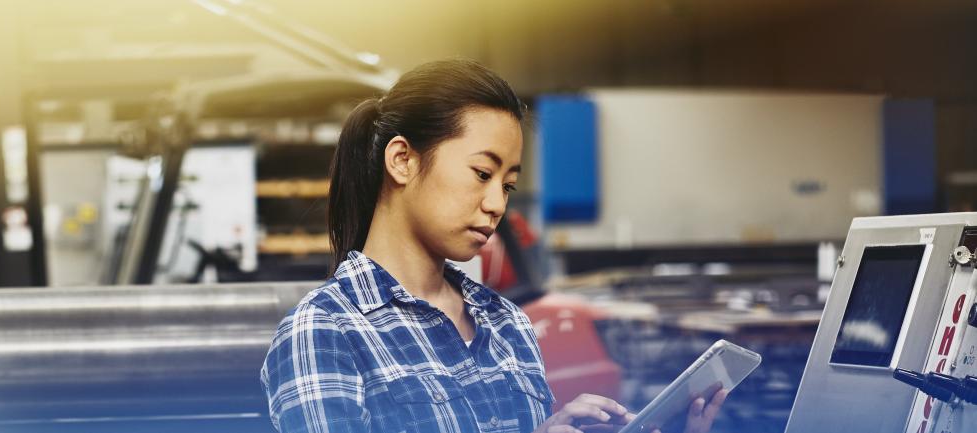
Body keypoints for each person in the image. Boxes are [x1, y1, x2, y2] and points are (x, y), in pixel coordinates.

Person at [259, 59, 729, 433]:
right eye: (483, 173)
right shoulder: (324, 332)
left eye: (508, 185)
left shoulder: (506, 323)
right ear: (402, 160)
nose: (496, 203)